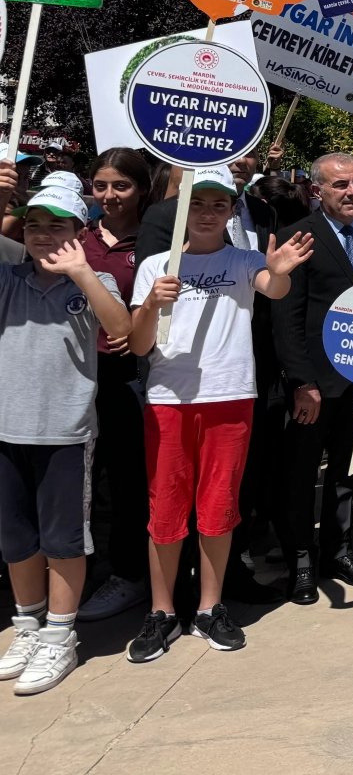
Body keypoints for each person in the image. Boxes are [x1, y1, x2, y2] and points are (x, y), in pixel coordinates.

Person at [124, 167, 313, 660]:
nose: (208, 213)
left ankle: (210, 608)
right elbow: (139, 343)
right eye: (199, 203)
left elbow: (273, 289)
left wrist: (283, 269)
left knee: (220, 510)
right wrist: (149, 304)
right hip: (168, 402)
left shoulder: (246, 258)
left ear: (232, 212)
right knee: (164, 511)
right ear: (182, 209)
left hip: (230, 399)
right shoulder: (155, 267)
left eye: (219, 205)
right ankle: (162, 612)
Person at [0, 185, 131, 695]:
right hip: (7, 428)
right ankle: (28, 626)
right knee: (16, 540)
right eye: (34, 225)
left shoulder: (93, 280)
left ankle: (60, 634)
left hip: (65, 431)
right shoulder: (8, 278)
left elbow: (121, 330)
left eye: (58, 226)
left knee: (63, 540)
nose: (44, 235)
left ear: (79, 232)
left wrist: (80, 272)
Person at [271, 153, 353, 603]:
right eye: (341, 185)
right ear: (317, 190)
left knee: (348, 471)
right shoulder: (297, 238)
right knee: (301, 476)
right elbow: (288, 317)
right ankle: (301, 561)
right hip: (314, 387)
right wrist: (303, 382)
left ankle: (338, 552)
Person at [76, 150, 154, 623]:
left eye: (121, 186)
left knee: (127, 481)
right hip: (73, 376)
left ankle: (128, 574)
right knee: (78, 480)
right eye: (100, 185)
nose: (109, 195)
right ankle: (78, 570)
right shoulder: (75, 235)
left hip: (127, 379)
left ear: (142, 189)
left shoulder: (151, 241)